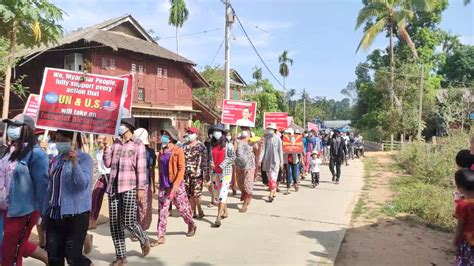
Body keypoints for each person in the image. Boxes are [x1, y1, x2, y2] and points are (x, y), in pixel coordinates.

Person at [0, 114, 49, 266]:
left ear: (27, 129)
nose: (12, 129)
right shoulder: (11, 150)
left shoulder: (36, 154)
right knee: (7, 252)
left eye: (16, 126)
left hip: (22, 212)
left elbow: (43, 186)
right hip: (6, 210)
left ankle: (47, 257)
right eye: (11, 126)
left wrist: (43, 214)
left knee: (11, 255)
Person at [103, 117, 150, 265]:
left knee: (128, 221)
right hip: (114, 187)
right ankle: (121, 256)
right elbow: (107, 163)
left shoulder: (137, 144)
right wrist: (106, 148)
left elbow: (141, 169)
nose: (120, 128)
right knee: (115, 224)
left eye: (122, 125)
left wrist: (141, 188)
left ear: (128, 127)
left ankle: (143, 238)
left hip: (130, 187)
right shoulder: (115, 143)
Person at [43, 130, 93, 265]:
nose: (58, 143)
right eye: (56, 140)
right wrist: (44, 212)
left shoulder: (85, 159)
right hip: (54, 214)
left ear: (73, 141)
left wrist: (75, 163)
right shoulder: (56, 159)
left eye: (62, 140)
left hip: (75, 215)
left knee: (73, 257)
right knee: (53, 256)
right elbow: (51, 186)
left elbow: (83, 185)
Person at [155, 127, 197, 245]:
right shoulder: (162, 151)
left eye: (166, 135)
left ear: (171, 138)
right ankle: (161, 235)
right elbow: (161, 168)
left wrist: (175, 185)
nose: (163, 137)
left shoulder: (178, 151)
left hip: (176, 185)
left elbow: (181, 169)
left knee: (183, 209)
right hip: (164, 186)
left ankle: (191, 223)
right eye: (163, 134)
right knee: (162, 211)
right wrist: (159, 181)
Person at [210, 124, 235, 227]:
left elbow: (232, 157)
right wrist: (211, 163)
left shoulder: (229, 145)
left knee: (222, 194)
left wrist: (222, 165)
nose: (216, 133)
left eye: (218, 131)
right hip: (215, 173)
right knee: (217, 194)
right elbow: (211, 157)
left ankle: (218, 218)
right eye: (214, 131)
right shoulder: (213, 145)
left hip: (226, 173)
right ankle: (225, 211)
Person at [133, 128, 155, 233]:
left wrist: (153, 184)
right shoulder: (131, 149)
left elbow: (151, 169)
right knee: (136, 207)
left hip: (144, 183)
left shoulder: (149, 152)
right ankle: (137, 227)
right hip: (133, 183)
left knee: (142, 207)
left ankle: (141, 229)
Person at [183, 127, 208, 219]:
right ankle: (193, 212)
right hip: (186, 175)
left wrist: (206, 175)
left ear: (196, 135)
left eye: (191, 133)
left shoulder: (202, 147)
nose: (189, 134)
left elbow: (205, 162)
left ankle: (199, 208)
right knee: (188, 194)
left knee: (196, 194)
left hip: (197, 175)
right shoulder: (184, 146)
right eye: (188, 133)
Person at [89, 136, 112, 230]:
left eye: (102, 138)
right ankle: (93, 220)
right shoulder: (97, 152)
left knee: (113, 199)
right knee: (95, 197)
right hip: (101, 176)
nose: (100, 140)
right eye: (98, 138)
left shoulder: (112, 149)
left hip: (111, 176)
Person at [258, 123, 283, 202]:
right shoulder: (265, 138)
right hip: (267, 161)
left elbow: (280, 150)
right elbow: (263, 150)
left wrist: (281, 161)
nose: (270, 130)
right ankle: (273, 189)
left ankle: (271, 194)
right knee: (270, 178)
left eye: (271, 128)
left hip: (276, 161)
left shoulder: (278, 138)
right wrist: (260, 160)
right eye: (269, 128)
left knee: (273, 177)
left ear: (274, 130)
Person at [454, 169, 474, 265]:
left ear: (459, 187)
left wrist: (455, 241)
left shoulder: (463, 205)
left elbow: (460, 226)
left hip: (468, 243)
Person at [235, 129, 256, 213]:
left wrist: (260, 145)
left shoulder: (253, 142)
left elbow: (257, 152)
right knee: (240, 183)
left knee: (247, 184)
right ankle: (244, 194)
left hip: (249, 166)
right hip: (239, 166)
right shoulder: (237, 141)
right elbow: (233, 151)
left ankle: (245, 204)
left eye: (248, 134)